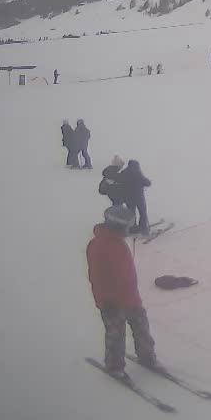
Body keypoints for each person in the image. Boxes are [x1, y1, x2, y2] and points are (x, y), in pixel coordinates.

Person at [87, 204, 158, 378]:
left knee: (141, 327)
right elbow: (97, 277)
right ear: (117, 226)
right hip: (111, 302)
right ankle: (114, 366)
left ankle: (147, 357)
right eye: (127, 226)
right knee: (115, 334)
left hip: (131, 298)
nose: (128, 230)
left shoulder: (117, 242)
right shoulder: (100, 246)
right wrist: (106, 301)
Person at [118, 160, 152, 236]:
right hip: (139, 197)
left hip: (128, 198)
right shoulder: (138, 173)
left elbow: (119, 183)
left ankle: (132, 228)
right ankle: (143, 229)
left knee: (131, 214)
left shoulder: (123, 173)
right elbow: (147, 183)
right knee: (142, 213)